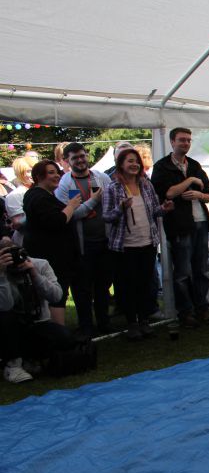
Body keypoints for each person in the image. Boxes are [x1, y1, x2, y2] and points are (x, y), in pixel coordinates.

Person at [103, 148, 174, 340]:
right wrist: (120, 208)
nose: (134, 164)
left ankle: (143, 320)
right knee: (128, 286)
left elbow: (154, 211)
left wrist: (164, 208)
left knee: (145, 284)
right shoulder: (112, 187)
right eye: (130, 161)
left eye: (136, 161)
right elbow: (107, 216)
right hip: (125, 246)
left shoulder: (146, 185)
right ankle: (131, 323)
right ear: (121, 165)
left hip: (148, 243)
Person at [151, 128, 209, 328]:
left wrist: (200, 195)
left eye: (189, 140)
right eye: (182, 140)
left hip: (201, 222)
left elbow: (207, 193)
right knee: (182, 272)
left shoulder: (194, 164)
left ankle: (202, 308)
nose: (186, 143)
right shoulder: (162, 166)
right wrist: (190, 180)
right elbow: (168, 193)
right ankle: (186, 312)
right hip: (180, 225)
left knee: (200, 269)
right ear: (172, 142)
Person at [55, 142, 114, 337]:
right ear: (67, 161)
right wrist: (94, 200)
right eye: (75, 158)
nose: (80, 160)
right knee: (82, 288)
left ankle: (104, 322)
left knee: (103, 286)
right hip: (80, 246)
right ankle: (86, 325)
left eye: (82, 156)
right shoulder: (64, 184)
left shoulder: (101, 177)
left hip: (104, 241)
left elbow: (110, 203)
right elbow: (72, 214)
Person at [0, 237, 74, 383]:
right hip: (7, 326)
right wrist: (1, 276)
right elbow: (5, 305)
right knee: (6, 316)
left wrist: (34, 274)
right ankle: (12, 365)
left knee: (65, 338)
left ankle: (29, 358)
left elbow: (56, 296)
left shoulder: (39, 264)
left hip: (36, 323)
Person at [22, 160, 82, 326]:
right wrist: (71, 206)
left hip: (55, 254)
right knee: (55, 293)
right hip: (51, 256)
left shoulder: (43, 196)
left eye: (57, 172)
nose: (56, 176)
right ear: (39, 176)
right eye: (51, 172)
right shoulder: (39, 197)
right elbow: (57, 221)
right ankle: (57, 332)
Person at [4, 155, 38, 245]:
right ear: (20, 174)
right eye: (28, 171)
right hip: (28, 242)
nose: (33, 173)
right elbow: (18, 224)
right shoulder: (14, 195)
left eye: (35, 170)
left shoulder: (46, 190)